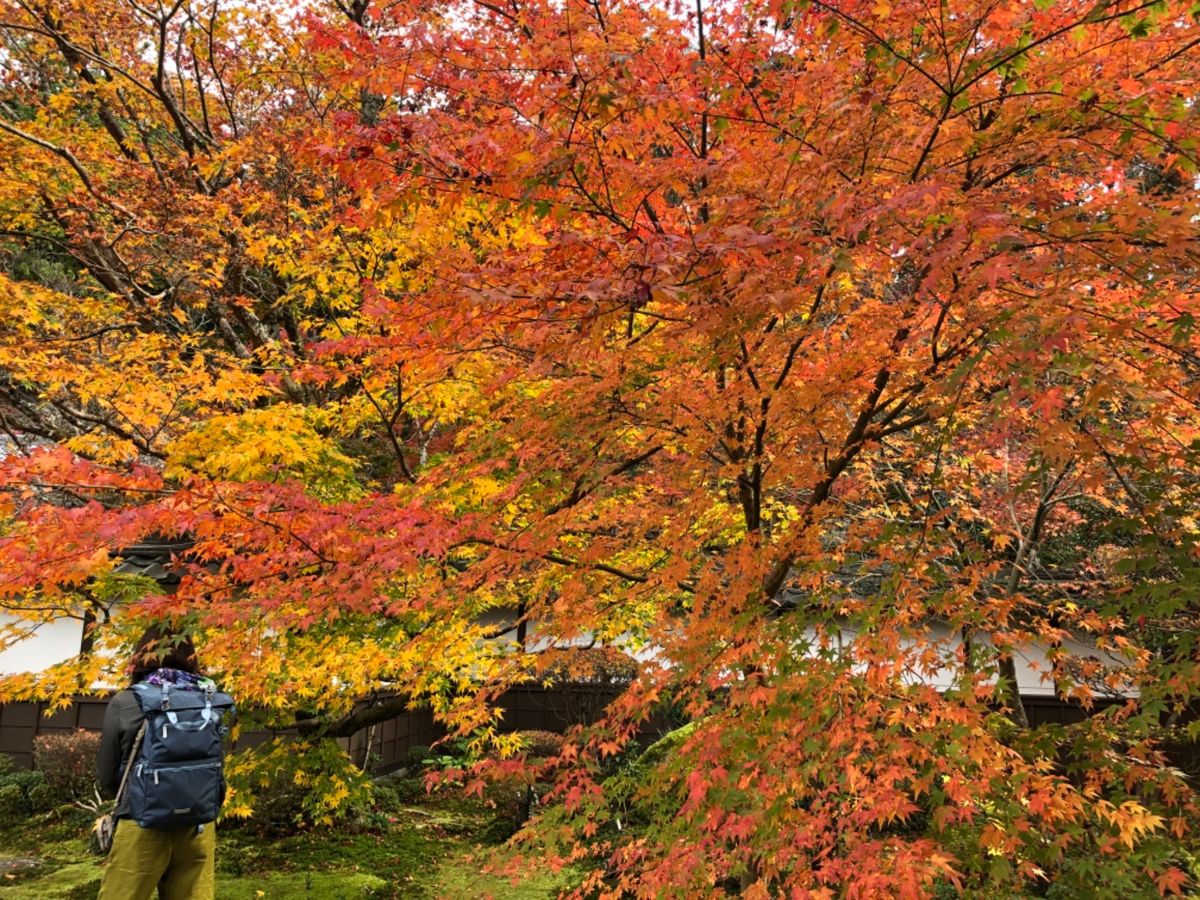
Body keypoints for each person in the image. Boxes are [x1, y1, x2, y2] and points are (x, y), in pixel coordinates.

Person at [96, 626, 219, 900]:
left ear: (141, 655)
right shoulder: (209, 700)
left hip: (140, 821)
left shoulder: (126, 702)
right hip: (198, 825)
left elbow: (106, 776)